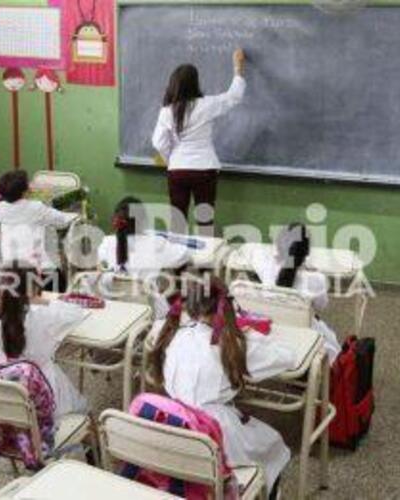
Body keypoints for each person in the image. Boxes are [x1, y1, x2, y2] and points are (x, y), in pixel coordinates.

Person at [150, 275, 295, 493]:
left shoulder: (173, 334)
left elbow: (158, 327)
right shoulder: (233, 345)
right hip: (216, 433)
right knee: (273, 445)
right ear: (226, 305)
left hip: (172, 425)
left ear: (190, 307)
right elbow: (287, 357)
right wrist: (252, 335)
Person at [0, 263, 88, 418]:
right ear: (34, 288)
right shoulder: (46, 314)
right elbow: (76, 312)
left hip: (2, 396)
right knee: (82, 410)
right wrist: (42, 301)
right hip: (45, 395)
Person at [152, 49, 246, 231]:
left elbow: (158, 142)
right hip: (205, 169)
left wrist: (171, 158)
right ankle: (206, 250)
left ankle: (177, 250)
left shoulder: (167, 111)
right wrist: (238, 68)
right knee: (205, 223)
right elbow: (234, 97)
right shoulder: (206, 105)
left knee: (177, 223)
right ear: (195, 83)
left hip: (177, 170)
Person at [251, 222, 341, 363]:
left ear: (278, 246)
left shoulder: (266, 266)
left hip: (270, 333)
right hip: (304, 336)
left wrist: (276, 256)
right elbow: (321, 306)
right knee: (330, 340)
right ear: (306, 253)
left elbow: (255, 253)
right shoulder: (316, 279)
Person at [0, 170, 76, 270]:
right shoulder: (35, 208)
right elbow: (63, 220)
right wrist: (77, 215)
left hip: (9, 267)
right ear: (25, 191)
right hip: (38, 268)